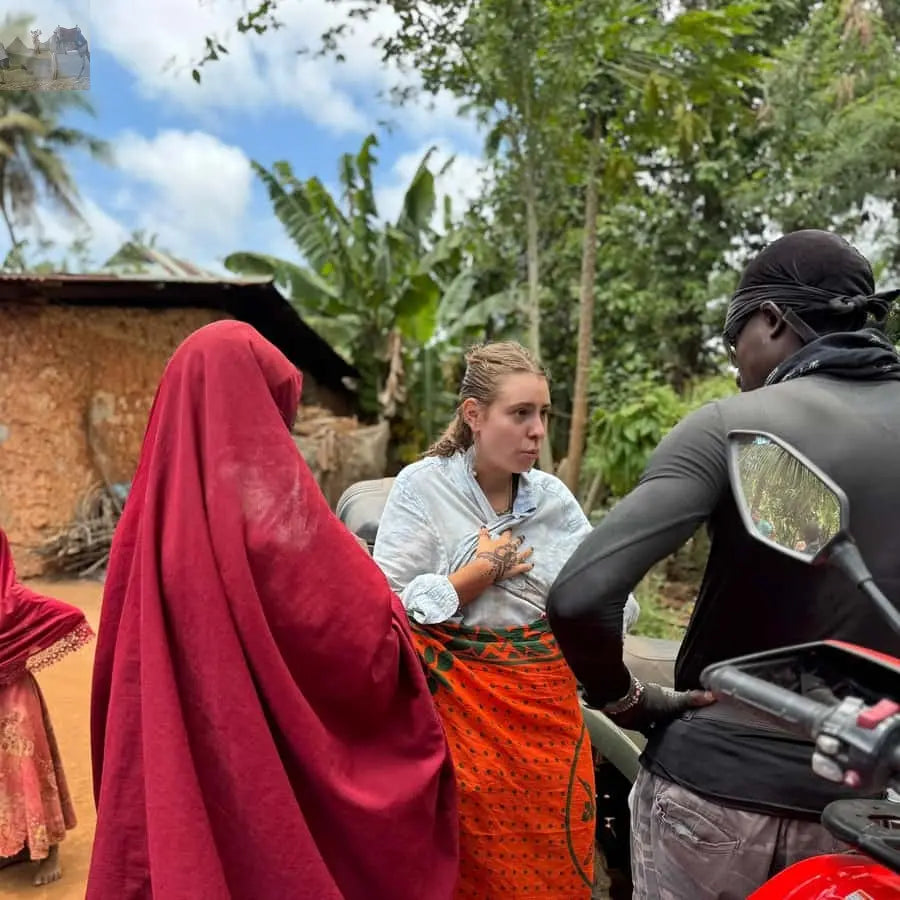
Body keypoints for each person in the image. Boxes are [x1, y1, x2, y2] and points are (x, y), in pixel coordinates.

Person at [547, 229, 900, 898]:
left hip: (719, 795)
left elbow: (579, 595)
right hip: (875, 817)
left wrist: (627, 699)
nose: (737, 360)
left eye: (736, 335)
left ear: (772, 318)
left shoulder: (731, 424)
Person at [87, 320, 458, 900]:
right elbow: (354, 633)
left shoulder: (144, 523)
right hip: (254, 780)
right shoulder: (274, 513)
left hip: (178, 767)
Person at [373, 341, 640, 899]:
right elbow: (388, 609)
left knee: (555, 848)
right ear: (474, 416)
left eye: (543, 413)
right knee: (469, 856)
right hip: (460, 717)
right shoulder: (421, 490)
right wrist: (474, 577)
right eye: (520, 413)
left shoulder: (552, 499)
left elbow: (610, 598)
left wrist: (569, 601)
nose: (537, 430)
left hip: (548, 716)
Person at [0, 530, 93, 886]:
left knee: (28, 767)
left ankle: (49, 847)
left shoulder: (16, 600)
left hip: (15, 699)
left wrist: (18, 653)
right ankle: (13, 848)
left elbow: (68, 614)